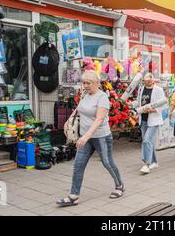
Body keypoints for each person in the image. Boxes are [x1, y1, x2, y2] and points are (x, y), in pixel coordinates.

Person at [56, 71, 124, 207]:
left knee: (107, 162)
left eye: (88, 83)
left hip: (101, 137)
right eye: (84, 83)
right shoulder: (85, 95)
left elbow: (99, 119)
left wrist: (86, 136)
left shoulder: (102, 97)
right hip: (85, 138)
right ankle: (74, 196)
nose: (85, 85)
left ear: (97, 83)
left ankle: (119, 186)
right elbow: (78, 109)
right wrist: (68, 121)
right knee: (78, 164)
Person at [129, 73, 166, 174]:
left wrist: (153, 110)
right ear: (143, 80)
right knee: (148, 142)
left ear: (153, 79)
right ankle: (154, 161)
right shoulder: (141, 89)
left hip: (154, 120)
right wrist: (130, 104)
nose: (149, 79)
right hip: (144, 120)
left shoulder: (158, 89)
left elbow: (164, 105)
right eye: (147, 78)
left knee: (146, 141)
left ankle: (146, 164)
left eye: (151, 77)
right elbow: (138, 102)